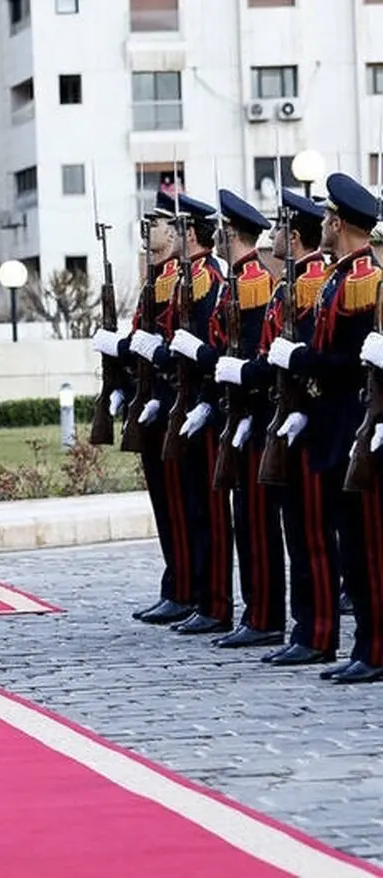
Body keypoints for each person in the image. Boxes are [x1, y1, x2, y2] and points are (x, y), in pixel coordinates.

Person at [270, 172, 383, 683]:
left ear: (339, 221)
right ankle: (364, 647)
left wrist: (302, 361)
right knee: (351, 547)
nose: (325, 225)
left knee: (367, 546)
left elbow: (348, 362)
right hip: (330, 425)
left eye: (330, 218)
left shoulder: (364, 277)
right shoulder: (341, 275)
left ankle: (375, 648)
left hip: (351, 420)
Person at [218, 189, 334, 663]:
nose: (275, 236)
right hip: (277, 416)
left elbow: (309, 357)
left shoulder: (312, 282)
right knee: (289, 532)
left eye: (283, 228)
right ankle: (296, 627)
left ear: (297, 234)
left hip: (304, 421)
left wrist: (249, 374)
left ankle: (316, 631)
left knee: (310, 536)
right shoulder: (291, 284)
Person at [130, 193, 235, 636]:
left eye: (169, 226)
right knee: (177, 506)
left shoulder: (206, 279)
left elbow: (209, 346)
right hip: (172, 402)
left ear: (189, 232)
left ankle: (204, 596)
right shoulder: (171, 278)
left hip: (197, 408)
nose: (162, 234)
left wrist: (200, 399)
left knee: (203, 511)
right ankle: (183, 588)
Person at [95, 192, 195, 626]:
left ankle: (188, 589)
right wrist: (118, 370)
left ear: (175, 231)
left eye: (154, 223)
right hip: (152, 401)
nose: (146, 230)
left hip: (174, 402)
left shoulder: (182, 278)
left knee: (182, 506)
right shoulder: (156, 277)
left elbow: (171, 344)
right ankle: (176, 585)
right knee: (166, 504)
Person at [201, 189, 287, 649]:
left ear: (230, 231)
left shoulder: (252, 280)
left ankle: (266, 616)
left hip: (253, 417)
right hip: (237, 414)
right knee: (247, 521)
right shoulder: (238, 279)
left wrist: (249, 411)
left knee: (257, 521)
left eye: (219, 226)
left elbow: (256, 353)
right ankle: (257, 613)